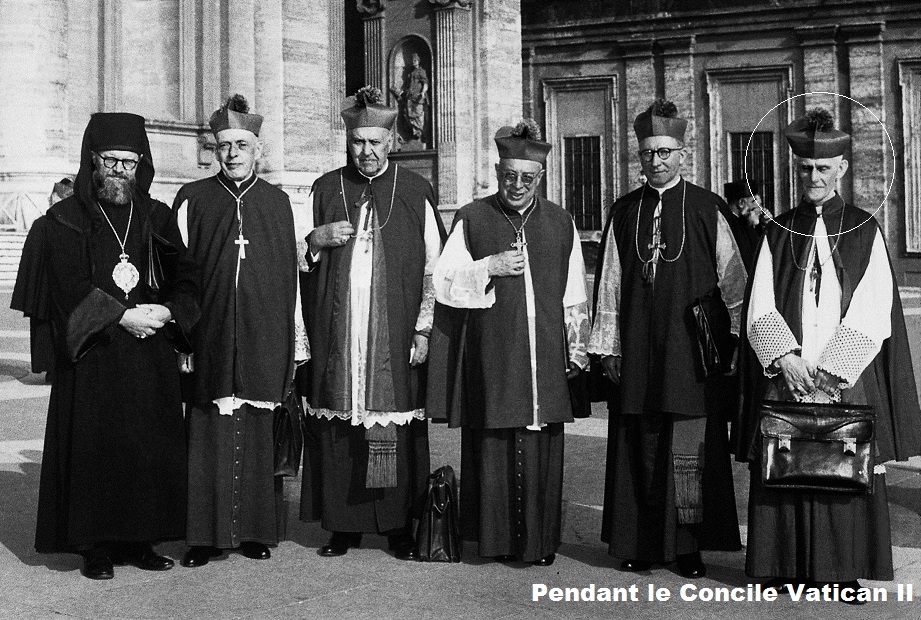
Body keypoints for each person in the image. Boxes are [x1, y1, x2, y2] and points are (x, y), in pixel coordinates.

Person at [736, 108, 921, 599]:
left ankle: (841, 570)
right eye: (805, 169)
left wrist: (834, 371)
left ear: (842, 167)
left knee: (844, 461)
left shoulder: (863, 229)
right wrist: (785, 357)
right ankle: (782, 566)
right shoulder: (778, 230)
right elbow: (760, 303)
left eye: (823, 168)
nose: (814, 177)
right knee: (785, 460)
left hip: (845, 375)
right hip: (790, 373)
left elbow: (874, 306)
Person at [34, 113, 199, 579]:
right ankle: (96, 546)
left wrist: (167, 311)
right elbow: (66, 287)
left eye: (130, 162)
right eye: (111, 161)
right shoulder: (65, 220)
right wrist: (121, 316)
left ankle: (141, 540)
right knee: (96, 448)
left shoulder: (158, 216)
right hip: (94, 357)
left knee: (146, 446)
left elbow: (187, 277)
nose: (120, 171)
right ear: (93, 160)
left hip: (149, 356)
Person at [588, 99, 747, 578]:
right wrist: (608, 346)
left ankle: (688, 546)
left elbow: (734, 280)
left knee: (688, 446)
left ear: (682, 154)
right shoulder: (624, 210)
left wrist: (734, 341)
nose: (655, 161)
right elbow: (610, 281)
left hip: (690, 351)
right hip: (637, 346)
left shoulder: (706, 207)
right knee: (640, 441)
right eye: (647, 153)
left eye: (664, 152)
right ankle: (638, 543)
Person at [427, 120, 590, 567]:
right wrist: (489, 266)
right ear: (497, 172)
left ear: (541, 177)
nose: (517, 185)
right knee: (494, 438)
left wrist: (576, 347)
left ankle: (539, 542)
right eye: (509, 176)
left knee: (540, 444)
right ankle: (494, 539)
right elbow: (444, 280)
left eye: (527, 178)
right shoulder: (472, 217)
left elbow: (574, 289)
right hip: (493, 350)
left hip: (544, 351)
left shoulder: (560, 222)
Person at [300, 86, 444, 560]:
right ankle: (343, 526)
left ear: (391, 142)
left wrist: (423, 328)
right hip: (339, 332)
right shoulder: (325, 188)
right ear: (348, 142)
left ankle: (398, 526)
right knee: (341, 424)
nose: (366, 151)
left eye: (375, 143)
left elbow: (434, 267)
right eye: (358, 142)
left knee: (393, 423)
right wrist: (316, 239)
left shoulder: (415, 190)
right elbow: (295, 260)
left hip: (395, 332)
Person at [174, 95, 303, 568]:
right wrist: (182, 337)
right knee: (206, 430)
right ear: (214, 149)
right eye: (223, 145)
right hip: (208, 335)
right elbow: (177, 272)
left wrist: (292, 343)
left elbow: (290, 277)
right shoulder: (192, 198)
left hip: (262, 334)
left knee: (257, 431)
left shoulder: (278, 202)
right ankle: (202, 537)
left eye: (241, 145)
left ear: (257, 150)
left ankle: (255, 532)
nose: (231, 154)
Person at [11, 178, 74, 382]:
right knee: (50, 329)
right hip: (47, 287)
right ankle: (53, 368)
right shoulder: (42, 225)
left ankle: (56, 368)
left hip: (57, 287)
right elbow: (32, 258)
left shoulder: (54, 224)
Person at [722, 179, 764, 271]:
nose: (758, 208)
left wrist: (757, 225)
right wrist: (751, 227)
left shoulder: (743, 221)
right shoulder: (727, 225)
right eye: (753, 202)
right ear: (741, 203)